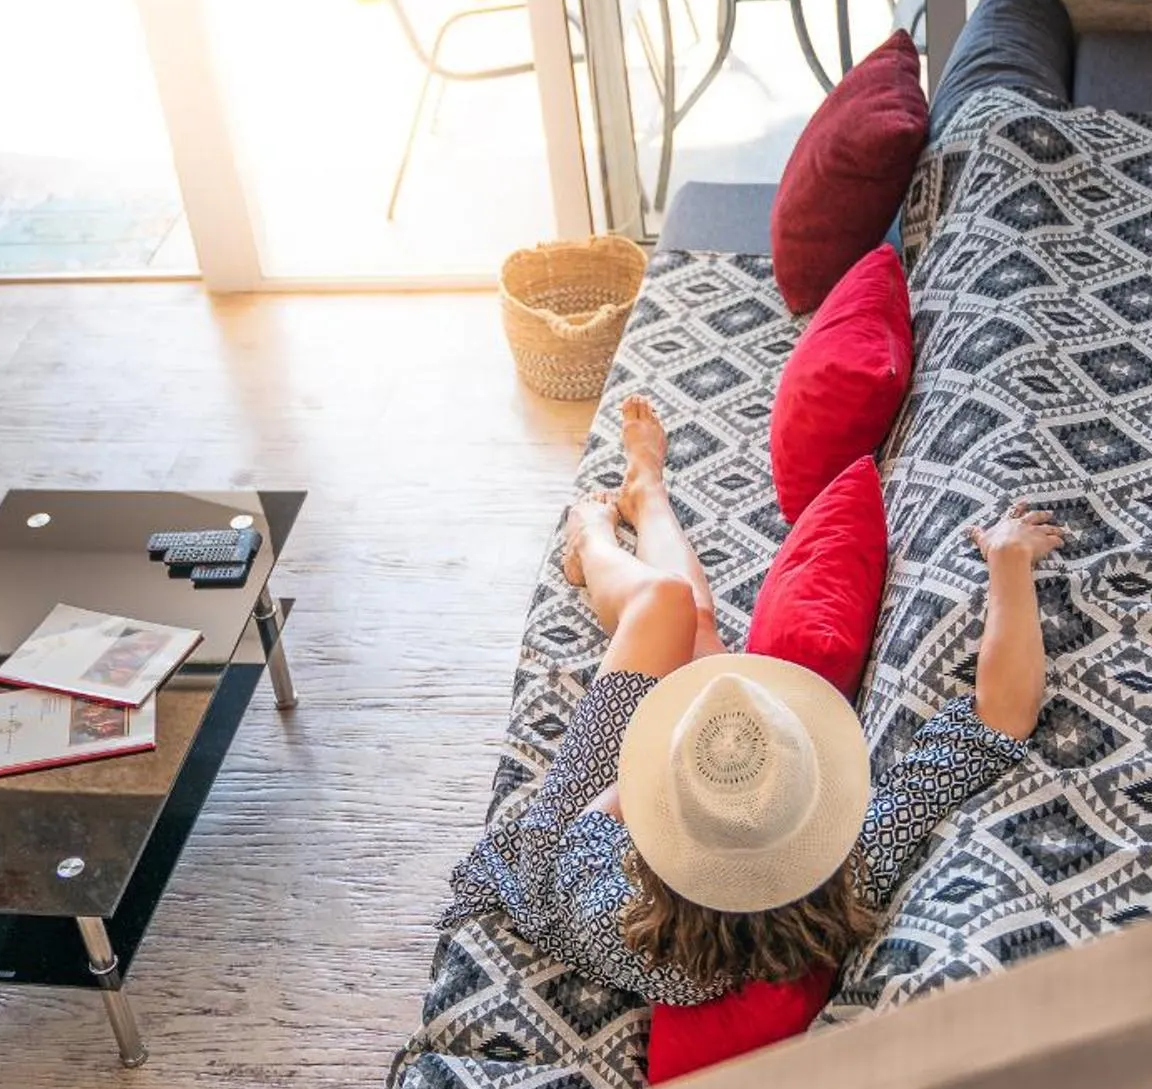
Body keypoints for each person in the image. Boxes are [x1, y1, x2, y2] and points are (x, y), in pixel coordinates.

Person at [445, 396, 1063, 1008]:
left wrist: (673, 753)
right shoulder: (850, 866)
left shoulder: (600, 896)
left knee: (664, 606)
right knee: (703, 640)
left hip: (561, 846)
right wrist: (1009, 563)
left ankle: (592, 540)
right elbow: (1003, 717)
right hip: (675, 832)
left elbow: (621, 796)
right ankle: (646, 494)